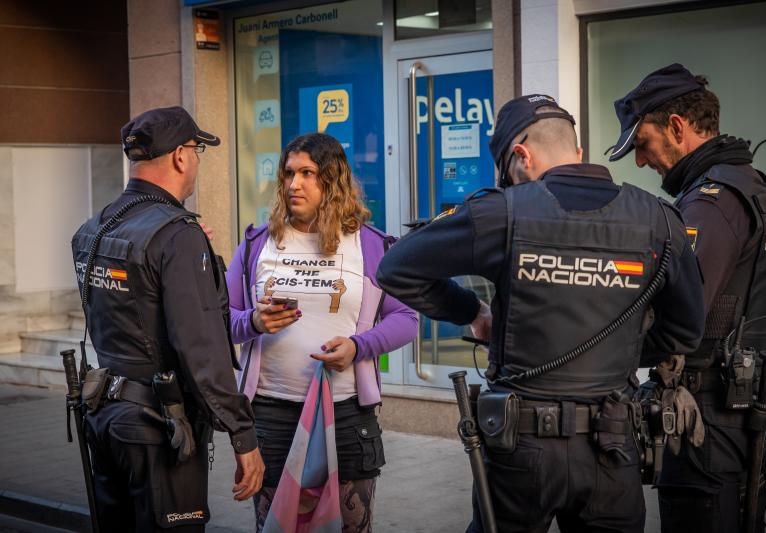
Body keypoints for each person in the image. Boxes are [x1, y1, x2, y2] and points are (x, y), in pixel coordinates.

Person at [377, 94, 705, 533]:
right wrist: (620, 349)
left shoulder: (502, 212)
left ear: (521, 156)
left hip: (519, 448)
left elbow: (395, 269)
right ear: (579, 152)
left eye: (510, 174)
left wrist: (472, 312)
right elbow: (685, 331)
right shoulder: (661, 220)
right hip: (613, 444)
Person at [609, 63, 766, 533]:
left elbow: (679, 317)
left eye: (643, 144)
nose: (640, 161)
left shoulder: (710, 203)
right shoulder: (757, 187)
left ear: (677, 127)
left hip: (710, 412)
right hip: (744, 403)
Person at [70, 106, 264, 531]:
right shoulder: (175, 234)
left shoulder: (94, 227)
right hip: (159, 430)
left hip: (105, 418)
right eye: (197, 150)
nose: (196, 161)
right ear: (180, 155)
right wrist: (242, 435)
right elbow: (202, 349)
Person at [225, 132, 418, 531]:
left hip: (347, 414)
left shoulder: (371, 244)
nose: (294, 184)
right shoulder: (256, 245)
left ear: (333, 179)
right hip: (271, 414)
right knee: (276, 527)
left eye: (308, 173)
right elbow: (219, 319)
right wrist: (254, 323)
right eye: (289, 173)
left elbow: (407, 318)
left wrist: (358, 346)